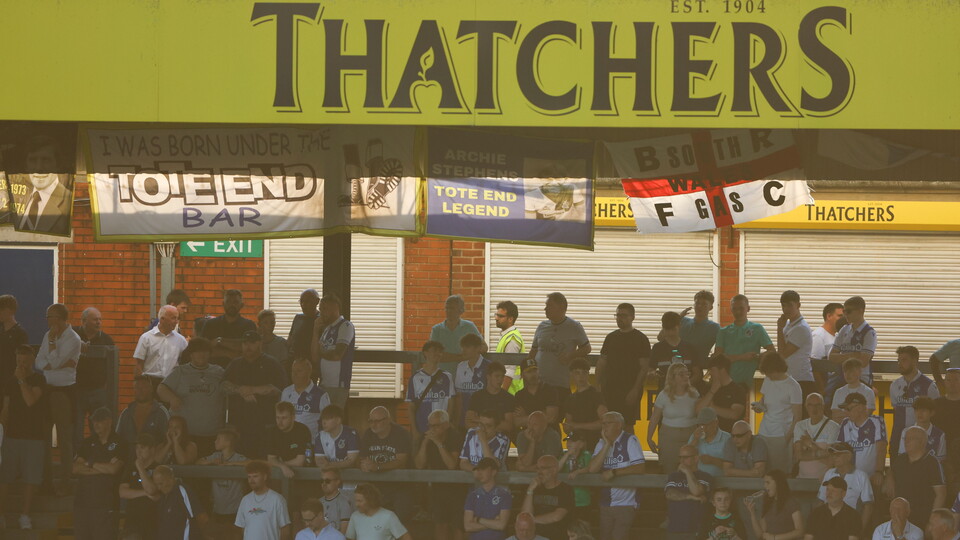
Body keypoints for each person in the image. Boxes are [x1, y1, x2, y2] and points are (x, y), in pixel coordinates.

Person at [0, 344, 48, 530]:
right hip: (12, 436)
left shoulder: (39, 380)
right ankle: (1, 514)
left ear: (32, 360)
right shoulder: (10, 382)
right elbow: (6, 407)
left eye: (25, 361)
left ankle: (25, 515)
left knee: (31, 478)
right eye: (19, 361)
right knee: (5, 477)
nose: (22, 364)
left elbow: (30, 400)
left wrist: (21, 381)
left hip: (34, 436)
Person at [224, 330, 288, 458]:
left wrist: (252, 390)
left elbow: (280, 388)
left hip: (265, 424)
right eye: (245, 343)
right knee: (240, 463)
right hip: (239, 424)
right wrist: (240, 390)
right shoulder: (235, 364)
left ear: (260, 344)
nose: (248, 346)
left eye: (252, 343)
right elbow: (223, 385)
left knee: (264, 462)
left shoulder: (272, 363)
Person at [36, 303, 81, 479]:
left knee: (64, 438)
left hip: (63, 392)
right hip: (47, 389)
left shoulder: (73, 339)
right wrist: (52, 363)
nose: (47, 320)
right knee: (44, 435)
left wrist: (53, 348)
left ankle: (66, 479)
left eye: (50, 316)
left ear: (60, 318)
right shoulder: (48, 335)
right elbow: (39, 361)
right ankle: (45, 478)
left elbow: (53, 362)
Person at [158, 337, 225, 456]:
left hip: (212, 433)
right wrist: (172, 398)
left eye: (205, 351)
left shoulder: (219, 372)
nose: (201, 355)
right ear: (191, 354)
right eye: (197, 351)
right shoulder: (180, 371)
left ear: (210, 354)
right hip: (185, 435)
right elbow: (161, 389)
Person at [528, 292, 591, 410]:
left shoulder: (574, 327)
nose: (545, 309)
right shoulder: (542, 326)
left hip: (560, 384)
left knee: (555, 418)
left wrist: (571, 355)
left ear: (562, 308)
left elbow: (586, 348)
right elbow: (533, 351)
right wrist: (527, 371)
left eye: (549, 306)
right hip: (539, 384)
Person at [588, 411, 645, 540]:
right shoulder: (602, 443)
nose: (604, 426)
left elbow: (640, 467)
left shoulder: (630, 440)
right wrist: (607, 444)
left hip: (626, 502)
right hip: (605, 502)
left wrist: (614, 472)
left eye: (608, 423)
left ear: (619, 425)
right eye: (602, 424)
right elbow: (592, 469)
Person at [73, 407, 127, 540]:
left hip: (106, 504)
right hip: (82, 504)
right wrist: (103, 467)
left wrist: (89, 463)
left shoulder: (120, 442)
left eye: (99, 421)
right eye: (93, 421)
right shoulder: (87, 443)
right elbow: (74, 468)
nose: (95, 424)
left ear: (109, 421)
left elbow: (114, 469)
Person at [596, 302, 649, 428]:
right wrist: (597, 385)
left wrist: (635, 389)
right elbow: (602, 362)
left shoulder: (640, 339)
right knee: (609, 424)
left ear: (632, 317)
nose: (620, 318)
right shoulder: (610, 337)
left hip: (629, 390)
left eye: (624, 315)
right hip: (609, 389)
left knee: (627, 425)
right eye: (618, 315)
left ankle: (629, 448)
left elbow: (644, 367)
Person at [883, 426, 946, 530]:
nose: (906, 442)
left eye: (911, 439)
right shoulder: (901, 459)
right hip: (900, 518)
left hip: (921, 519)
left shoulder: (932, 462)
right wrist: (890, 477)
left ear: (922, 442)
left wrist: (932, 523)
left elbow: (941, 494)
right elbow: (891, 470)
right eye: (905, 438)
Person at [359, 406, 413, 523]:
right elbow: (362, 458)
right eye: (371, 421)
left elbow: (401, 461)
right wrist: (365, 464)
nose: (373, 425)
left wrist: (377, 467)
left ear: (388, 420)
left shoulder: (401, 434)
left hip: (400, 487)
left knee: (400, 523)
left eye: (377, 421)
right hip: (376, 488)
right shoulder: (368, 434)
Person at [414, 410, 462, 540]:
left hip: (457, 488)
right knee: (440, 523)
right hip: (437, 487)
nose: (432, 429)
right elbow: (419, 465)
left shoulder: (454, 436)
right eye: (430, 426)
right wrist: (424, 443)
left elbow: (451, 465)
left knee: (458, 525)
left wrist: (438, 443)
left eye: (436, 425)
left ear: (446, 425)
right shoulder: (425, 438)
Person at [755, 351, 803, 474]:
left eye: (770, 373)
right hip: (764, 431)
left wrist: (787, 437)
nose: (769, 376)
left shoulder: (793, 386)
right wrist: (759, 406)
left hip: (781, 433)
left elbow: (797, 416)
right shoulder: (768, 380)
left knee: (779, 472)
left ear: (777, 369)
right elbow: (763, 401)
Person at [74, 306, 115, 446]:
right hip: (76, 390)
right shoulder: (72, 335)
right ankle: (76, 457)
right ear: (84, 321)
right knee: (75, 427)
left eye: (100, 319)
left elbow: (112, 367)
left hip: (98, 391)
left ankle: (96, 457)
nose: (99, 322)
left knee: (98, 428)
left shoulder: (107, 340)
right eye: (95, 320)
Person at [889, 345, 939, 461]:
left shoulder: (929, 385)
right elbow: (896, 411)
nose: (900, 364)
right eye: (898, 360)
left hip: (921, 438)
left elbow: (935, 414)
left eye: (904, 360)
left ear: (915, 361)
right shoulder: (894, 385)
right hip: (898, 436)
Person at [714, 295, 774, 388]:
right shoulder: (723, 331)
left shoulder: (757, 328)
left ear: (748, 308)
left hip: (747, 382)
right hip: (725, 382)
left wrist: (758, 356)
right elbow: (718, 358)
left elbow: (772, 351)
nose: (738, 312)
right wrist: (742, 357)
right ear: (731, 310)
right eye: (734, 308)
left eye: (741, 308)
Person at [649, 363, 699, 474]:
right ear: (672, 377)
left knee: (691, 470)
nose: (686, 377)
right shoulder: (663, 395)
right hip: (669, 436)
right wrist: (649, 437)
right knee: (669, 470)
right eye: (681, 374)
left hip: (690, 435)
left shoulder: (694, 394)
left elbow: (700, 415)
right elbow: (654, 418)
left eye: (687, 374)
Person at [15, 136, 71, 234]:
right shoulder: (17, 197)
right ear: (26, 166)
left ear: (58, 165)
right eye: (33, 160)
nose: (38, 168)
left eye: (46, 160)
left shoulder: (68, 201)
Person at [196, 428, 249, 528]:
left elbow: (251, 463)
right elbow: (198, 462)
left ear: (228, 442)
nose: (215, 441)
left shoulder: (238, 458)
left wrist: (232, 464)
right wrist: (211, 462)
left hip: (235, 509)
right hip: (217, 509)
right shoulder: (215, 456)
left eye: (218, 439)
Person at [826, 296, 877, 399]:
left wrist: (842, 356)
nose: (845, 315)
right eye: (844, 311)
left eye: (848, 311)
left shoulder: (869, 332)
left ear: (860, 311)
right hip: (843, 378)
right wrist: (853, 355)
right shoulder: (844, 330)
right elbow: (831, 356)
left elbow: (863, 361)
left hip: (862, 380)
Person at [819, 442, 875, 532]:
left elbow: (868, 507)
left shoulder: (861, 476)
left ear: (848, 456)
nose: (834, 457)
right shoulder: (829, 473)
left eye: (838, 455)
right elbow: (821, 501)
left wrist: (859, 531)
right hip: (828, 523)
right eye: (833, 455)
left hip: (851, 524)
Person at [312, 293, 355, 407]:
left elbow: (337, 355)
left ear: (335, 308)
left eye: (324, 309)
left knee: (333, 418)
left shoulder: (345, 326)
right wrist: (315, 331)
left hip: (338, 386)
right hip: (324, 383)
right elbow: (314, 357)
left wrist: (321, 352)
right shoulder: (326, 329)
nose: (321, 313)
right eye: (320, 309)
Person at [407, 341, 456, 438]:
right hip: (422, 428)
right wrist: (414, 430)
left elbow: (451, 403)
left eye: (440, 351)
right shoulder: (415, 377)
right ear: (425, 353)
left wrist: (447, 423)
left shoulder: (447, 377)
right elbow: (411, 406)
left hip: (442, 430)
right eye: (434, 351)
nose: (438, 354)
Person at [520, 455, 574, 540]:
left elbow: (557, 516)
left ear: (554, 470)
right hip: (535, 537)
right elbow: (525, 514)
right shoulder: (535, 488)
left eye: (543, 468)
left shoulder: (565, 489)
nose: (539, 472)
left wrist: (530, 520)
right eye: (537, 468)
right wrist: (530, 490)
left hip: (558, 536)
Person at [836, 392, 887, 482]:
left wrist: (879, 472)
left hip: (870, 478)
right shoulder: (845, 423)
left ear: (860, 407)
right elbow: (840, 451)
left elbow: (881, 449)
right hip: (849, 478)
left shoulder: (877, 421)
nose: (846, 413)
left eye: (848, 409)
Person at [664, 445, 712, 540]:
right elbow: (669, 494)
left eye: (685, 457)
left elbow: (697, 491)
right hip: (674, 528)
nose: (681, 461)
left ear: (696, 458)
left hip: (696, 528)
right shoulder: (674, 476)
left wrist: (688, 472)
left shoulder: (705, 476)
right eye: (680, 457)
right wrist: (690, 497)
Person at [119, 433, 161, 540]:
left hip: (153, 522)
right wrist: (144, 492)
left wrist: (141, 468)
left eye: (142, 448)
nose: (138, 451)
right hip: (132, 522)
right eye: (137, 447)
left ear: (152, 449)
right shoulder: (130, 467)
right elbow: (122, 492)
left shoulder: (159, 468)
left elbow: (152, 490)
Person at [235, 460, 292, 540]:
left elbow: (285, 530)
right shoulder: (245, 500)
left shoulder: (277, 499)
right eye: (249, 477)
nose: (251, 480)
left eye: (255, 476)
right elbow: (242, 527)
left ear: (265, 477)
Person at [202, 289, 258, 369]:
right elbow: (203, 350)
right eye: (228, 302)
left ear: (241, 305)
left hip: (241, 371)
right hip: (214, 372)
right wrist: (230, 353)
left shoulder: (249, 325)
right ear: (223, 304)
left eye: (235, 302)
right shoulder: (211, 324)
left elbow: (249, 350)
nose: (232, 305)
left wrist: (220, 341)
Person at [135, 305, 189, 388]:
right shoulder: (146, 338)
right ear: (162, 319)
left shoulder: (180, 340)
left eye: (177, 318)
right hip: (150, 383)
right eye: (173, 318)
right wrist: (139, 385)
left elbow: (187, 362)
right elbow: (139, 364)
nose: (176, 322)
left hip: (171, 384)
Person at [430, 294, 485, 375]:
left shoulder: (469, 326)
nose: (448, 311)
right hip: (442, 377)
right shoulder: (437, 329)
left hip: (466, 377)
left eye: (452, 308)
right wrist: (461, 357)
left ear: (461, 310)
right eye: (447, 308)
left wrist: (471, 353)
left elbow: (484, 347)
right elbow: (434, 355)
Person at [153, 464, 210, 540]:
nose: (159, 488)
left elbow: (202, 517)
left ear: (170, 479)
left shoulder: (182, 491)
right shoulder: (164, 495)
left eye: (161, 483)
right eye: (156, 484)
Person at [777, 291, 815, 401]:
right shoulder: (789, 324)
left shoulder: (801, 328)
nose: (786, 309)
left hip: (801, 380)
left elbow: (782, 354)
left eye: (790, 305)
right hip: (790, 378)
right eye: (783, 306)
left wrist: (779, 328)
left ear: (798, 305)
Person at [282, 356, 331, 441]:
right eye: (293, 371)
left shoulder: (321, 395)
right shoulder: (286, 392)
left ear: (309, 372)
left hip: (311, 443)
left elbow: (329, 422)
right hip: (288, 442)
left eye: (299, 371)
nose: (295, 374)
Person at [744, 470, 803, 540]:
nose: (765, 486)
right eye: (764, 483)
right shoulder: (767, 503)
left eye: (768, 482)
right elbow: (760, 535)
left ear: (778, 483)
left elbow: (800, 532)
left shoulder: (791, 502)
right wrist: (752, 514)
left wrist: (775, 537)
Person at [792, 393, 840, 480]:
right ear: (806, 407)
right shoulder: (800, 425)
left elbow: (831, 458)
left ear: (823, 406)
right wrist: (821, 453)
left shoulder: (833, 427)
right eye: (810, 405)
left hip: (824, 480)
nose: (814, 409)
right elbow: (798, 455)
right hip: (801, 479)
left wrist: (810, 445)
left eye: (818, 405)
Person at [117, 375, 170, 453]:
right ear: (134, 390)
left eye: (144, 387)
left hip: (153, 461)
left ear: (151, 389)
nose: (140, 390)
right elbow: (117, 438)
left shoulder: (161, 412)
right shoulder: (126, 412)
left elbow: (167, 440)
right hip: (128, 460)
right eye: (137, 387)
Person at [464, 457, 512, 540]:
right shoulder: (472, 495)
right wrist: (493, 523)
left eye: (483, 469)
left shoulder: (504, 495)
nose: (480, 472)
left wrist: (478, 519)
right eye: (478, 470)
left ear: (494, 472)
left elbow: (501, 525)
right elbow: (468, 526)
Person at [696, 354, 747, 433]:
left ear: (722, 370)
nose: (710, 373)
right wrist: (712, 391)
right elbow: (698, 410)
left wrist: (712, 407)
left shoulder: (738, 390)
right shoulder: (708, 388)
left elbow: (734, 414)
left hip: (729, 436)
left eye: (712, 370)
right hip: (709, 436)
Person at [563, 358, 606, 450]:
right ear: (571, 374)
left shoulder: (596, 395)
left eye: (584, 372)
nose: (581, 376)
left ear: (588, 374)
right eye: (577, 373)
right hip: (577, 445)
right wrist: (568, 428)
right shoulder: (570, 398)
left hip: (596, 443)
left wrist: (577, 425)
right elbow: (568, 424)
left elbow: (604, 422)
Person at [652, 311, 699, 390]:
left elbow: (697, 374)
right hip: (665, 392)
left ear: (680, 326)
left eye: (673, 329)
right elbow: (650, 370)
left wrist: (685, 384)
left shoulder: (689, 348)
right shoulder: (657, 348)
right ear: (663, 328)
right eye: (667, 329)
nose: (670, 333)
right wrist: (653, 375)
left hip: (687, 393)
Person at [347, 483, 411, 540]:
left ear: (370, 500)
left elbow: (405, 537)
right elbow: (350, 538)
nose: (356, 504)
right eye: (356, 500)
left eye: (360, 501)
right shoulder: (355, 516)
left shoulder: (388, 516)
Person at [679, 290, 721, 378]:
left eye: (704, 304)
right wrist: (677, 319)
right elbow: (661, 337)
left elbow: (719, 352)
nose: (700, 307)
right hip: (676, 368)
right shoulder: (683, 321)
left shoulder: (715, 328)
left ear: (711, 307)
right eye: (697, 303)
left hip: (696, 372)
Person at [454, 333, 491, 429]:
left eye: (467, 347)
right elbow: (459, 396)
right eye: (463, 347)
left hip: (483, 420)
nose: (463, 350)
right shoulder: (460, 367)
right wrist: (457, 421)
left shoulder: (488, 367)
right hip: (464, 419)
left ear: (478, 348)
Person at [0, 295, 29, 416]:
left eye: (2, 309)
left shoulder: (20, 333)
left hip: (10, 380)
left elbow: (23, 360)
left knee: (7, 414)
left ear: (10, 310)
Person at [266, 401, 312, 479]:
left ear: (293, 417)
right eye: (278, 417)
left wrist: (280, 464)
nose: (280, 422)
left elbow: (300, 461)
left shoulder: (302, 430)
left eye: (284, 418)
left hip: (303, 474)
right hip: (282, 473)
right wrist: (282, 466)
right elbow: (270, 458)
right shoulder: (272, 431)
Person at [467, 362, 515, 433]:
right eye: (497, 376)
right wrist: (495, 424)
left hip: (500, 439)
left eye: (502, 376)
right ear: (488, 377)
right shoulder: (477, 396)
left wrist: (481, 421)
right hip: (479, 437)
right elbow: (468, 423)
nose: (500, 379)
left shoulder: (508, 398)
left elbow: (509, 426)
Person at [514, 359, 560, 430]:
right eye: (529, 372)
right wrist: (543, 414)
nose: (533, 374)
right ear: (522, 375)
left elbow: (551, 418)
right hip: (528, 433)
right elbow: (516, 422)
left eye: (535, 370)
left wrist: (526, 416)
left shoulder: (550, 390)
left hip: (548, 432)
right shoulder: (519, 395)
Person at [898, 397, 947, 462]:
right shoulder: (906, 432)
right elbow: (902, 457)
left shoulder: (940, 434)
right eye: (917, 410)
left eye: (923, 410)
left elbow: (941, 461)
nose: (919, 413)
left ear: (932, 413)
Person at [811, 303, 844, 398]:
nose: (843, 319)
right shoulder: (818, 336)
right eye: (840, 316)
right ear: (829, 316)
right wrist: (821, 390)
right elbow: (815, 365)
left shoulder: (838, 336)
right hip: (827, 390)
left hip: (836, 388)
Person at [558, 434, 592, 522]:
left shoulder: (587, 455)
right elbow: (556, 469)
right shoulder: (563, 455)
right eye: (568, 441)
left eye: (573, 441)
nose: (569, 443)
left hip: (582, 500)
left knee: (582, 527)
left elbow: (591, 468)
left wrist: (578, 472)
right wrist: (568, 454)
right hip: (565, 500)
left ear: (581, 444)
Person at [314, 405, 360, 470]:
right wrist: (325, 464)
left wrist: (330, 465)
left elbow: (351, 462)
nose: (323, 422)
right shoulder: (320, 436)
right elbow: (318, 460)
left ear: (338, 420)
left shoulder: (351, 434)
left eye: (327, 419)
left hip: (350, 475)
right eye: (323, 419)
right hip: (328, 473)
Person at [494, 300, 525, 395]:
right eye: (496, 314)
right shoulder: (507, 336)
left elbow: (510, 371)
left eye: (500, 316)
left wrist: (501, 395)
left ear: (510, 319)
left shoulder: (512, 339)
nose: (496, 318)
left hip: (511, 393)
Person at [689, 407, 730, 478]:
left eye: (706, 424)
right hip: (697, 480)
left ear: (716, 423)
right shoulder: (695, 436)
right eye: (700, 425)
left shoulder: (727, 438)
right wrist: (695, 440)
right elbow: (685, 459)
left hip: (720, 482)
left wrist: (713, 461)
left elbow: (732, 467)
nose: (703, 428)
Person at [318, 468, 354, 535]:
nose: (324, 484)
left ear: (337, 481)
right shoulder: (318, 502)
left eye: (327, 481)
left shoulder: (344, 502)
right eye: (322, 481)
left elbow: (344, 533)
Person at [289, 289, 320, 361]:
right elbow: (290, 339)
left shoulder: (321, 320)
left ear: (317, 301)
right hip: (295, 360)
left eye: (307, 301)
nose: (303, 305)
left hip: (312, 362)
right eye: (301, 301)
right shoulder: (298, 318)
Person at [258, 309, 290, 374]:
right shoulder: (256, 343)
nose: (269, 325)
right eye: (266, 322)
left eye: (272, 322)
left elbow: (284, 365)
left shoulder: (281, 342)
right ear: (259, 324)